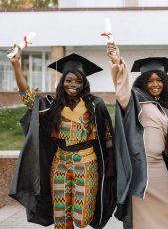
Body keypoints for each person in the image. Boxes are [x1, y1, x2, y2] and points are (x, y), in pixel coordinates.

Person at [8, 48, 116, 228]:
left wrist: (111, 167)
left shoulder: (96, 105)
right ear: (62, 81)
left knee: (81, 217)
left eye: (78, 81)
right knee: (61, 215)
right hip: (60, 162)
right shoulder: (52, 104)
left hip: (86, 162)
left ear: (84, 83)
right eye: (68, 80)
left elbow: (107, 138)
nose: (72, 84)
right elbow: (27, 98)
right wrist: (15, 65)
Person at [106, 42, 168, 229]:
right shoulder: (134, 99)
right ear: (142, 82)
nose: (155, 84)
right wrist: (117, 62)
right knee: (142, 220)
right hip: (141, 170)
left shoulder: (163, 108)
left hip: (160, 169)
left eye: (159, 80)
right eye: (150, 80)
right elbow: (122, 91)